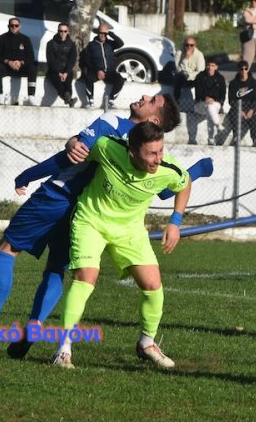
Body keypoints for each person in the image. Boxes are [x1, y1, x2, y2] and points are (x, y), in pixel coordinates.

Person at [0, 94, 189, 355]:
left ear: (154, 119)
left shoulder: (112, 124)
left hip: (57, 195)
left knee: (7, 248)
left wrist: (27, 175)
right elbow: (166, 189)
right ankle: (35, 325)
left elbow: (71, 156)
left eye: (153, 99)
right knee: (55, 268)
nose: (144, 96)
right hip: (82, 212)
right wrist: (198, 172)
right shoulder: (148, 150)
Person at [50, 121, 191, 370]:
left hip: (130, 230)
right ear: (132, 152)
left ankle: (146, 344)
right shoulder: (108, 148)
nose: (158, 159)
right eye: (151, 153)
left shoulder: (168, 169)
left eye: (160, 151)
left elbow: (185, 182)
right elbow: (79, 143)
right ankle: (63, 350)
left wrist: (175, 222)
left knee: (153, 286)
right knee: (85, 279)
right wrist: (72, 143)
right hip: (91, 221)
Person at [214, 61, 256, 147]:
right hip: (237, 107)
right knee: (234, 116)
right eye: (241, 69)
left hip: (250, 107)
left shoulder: (254, 83)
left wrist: (251, 110)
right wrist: (240, 110)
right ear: (238, 70)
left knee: (254, 118)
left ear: (248, 69)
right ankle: (236, 137)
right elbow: (231, 100)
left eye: (245, 69)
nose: (243, 71)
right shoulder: (233, 83)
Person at [0, 17, 37, 105]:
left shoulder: (25, 39)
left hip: (21, 67)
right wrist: (8, 62)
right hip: (6, 67)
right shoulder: (1, 38)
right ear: (8, 26)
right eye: (12, 25)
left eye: (16, 25)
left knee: (32, 68)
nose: (14, 27)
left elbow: (31, 57)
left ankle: (31, 96)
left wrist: (21, 62)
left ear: (20, 27)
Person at [80, 23, 125, 109]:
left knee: (120, 79)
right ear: (97, 33)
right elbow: (87, 61)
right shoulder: (91, 45)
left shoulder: (110, 44)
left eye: (105, 33)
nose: (103, 35)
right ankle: (90, 101)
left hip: (109, 72)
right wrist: (98, 70)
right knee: (88, 77)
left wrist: (110, 33)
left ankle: (111, 100)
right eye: (101, 33)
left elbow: (121, 43)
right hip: (96, 72)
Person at [193, 57, 227, 146]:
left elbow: (222, 95)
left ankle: (211, 138)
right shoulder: (200, 76)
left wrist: (214, 100)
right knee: (209, 108)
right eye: (208, 65)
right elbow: (198, 93)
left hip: (215, 103)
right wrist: (206, 98)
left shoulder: (220, 78)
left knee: (210, 108)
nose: (210, 67)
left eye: (212, 66)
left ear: (216, 67)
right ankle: (217, 126)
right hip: (200, 104)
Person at [44, 22, 77, 107]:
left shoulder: (72, 44)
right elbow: (50, 60)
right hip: (54, 71)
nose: (63, 33)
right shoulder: (51, 44)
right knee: (59, 84)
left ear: (68, 32)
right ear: (58, 31)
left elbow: (72, 60)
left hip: (67, 70)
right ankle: (69, 100)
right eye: (61, 31)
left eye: (65, 31)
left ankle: (68, 97)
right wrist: (58, 72)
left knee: (68, 83)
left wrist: (66, 72)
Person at [174, 37, 205, 116]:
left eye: (191, 45)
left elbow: (200, 71)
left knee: (200, 78)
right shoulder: (179, 53)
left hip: (194, 78)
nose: (189, 47)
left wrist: (190, 74)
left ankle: (199, 103)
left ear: (194, 45)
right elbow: (178, 70)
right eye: (187, 45)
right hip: (183, 77)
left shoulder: (199, 55)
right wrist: (186, 58)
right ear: (184, 45)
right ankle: (175, 103)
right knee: (178, 77)